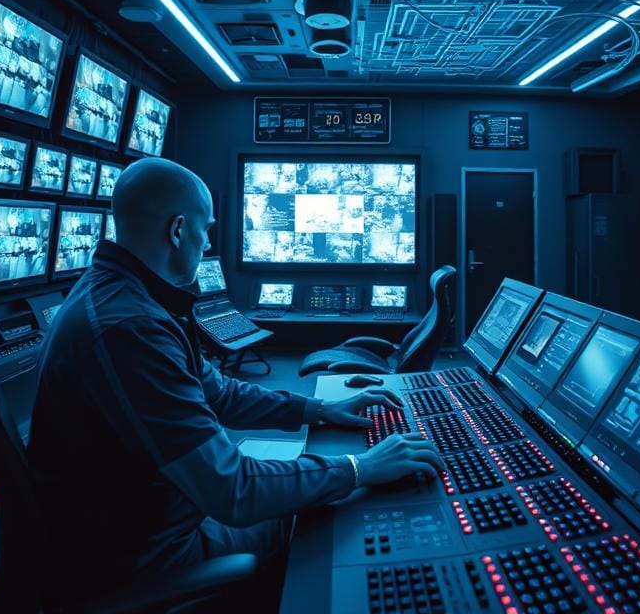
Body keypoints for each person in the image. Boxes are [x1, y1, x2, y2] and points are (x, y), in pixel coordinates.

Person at [27, 157, 443, 607]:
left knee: (316, 481)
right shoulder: (129, 327)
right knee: (326, 516)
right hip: (147, 555)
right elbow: (234, 491)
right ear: (178, 230)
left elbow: (220, 392)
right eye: (206, 230)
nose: (207, 243)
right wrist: (362, 467)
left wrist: (317, 410)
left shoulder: (128, 298)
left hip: (144, 519)